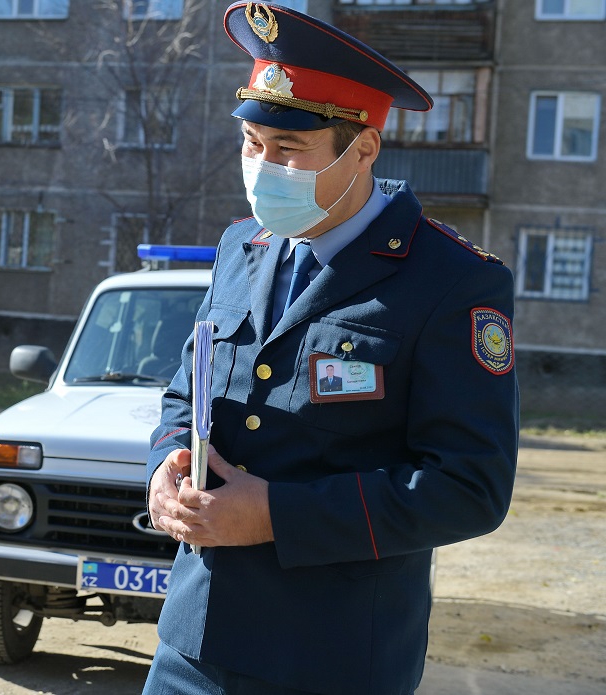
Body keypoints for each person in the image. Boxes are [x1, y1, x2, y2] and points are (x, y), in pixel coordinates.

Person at [144, 3, 518, 694]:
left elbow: (471, 486)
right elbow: (184, 392)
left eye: (288, 151)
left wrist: (276, 516)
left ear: (364, 150)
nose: (262, 168)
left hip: (331, 659)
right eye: (252, 143)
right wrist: (164, 464)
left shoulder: (452, 281)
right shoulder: (241, 247)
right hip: (193, 642)